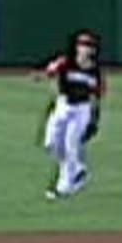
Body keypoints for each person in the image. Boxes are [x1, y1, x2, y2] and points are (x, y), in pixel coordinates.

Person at [36, 30, 105, 199]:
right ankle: (78, 169)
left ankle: (64, 187)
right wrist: (46, 73)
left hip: (82, 110)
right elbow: (50, 71)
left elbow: (97, 96)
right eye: (82, 45)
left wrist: (94, 120)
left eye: (89, 46)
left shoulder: (95, 72)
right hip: (63, 105)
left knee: (71, 144)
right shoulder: (66, 63)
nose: (85, 49)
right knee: (51, 143)